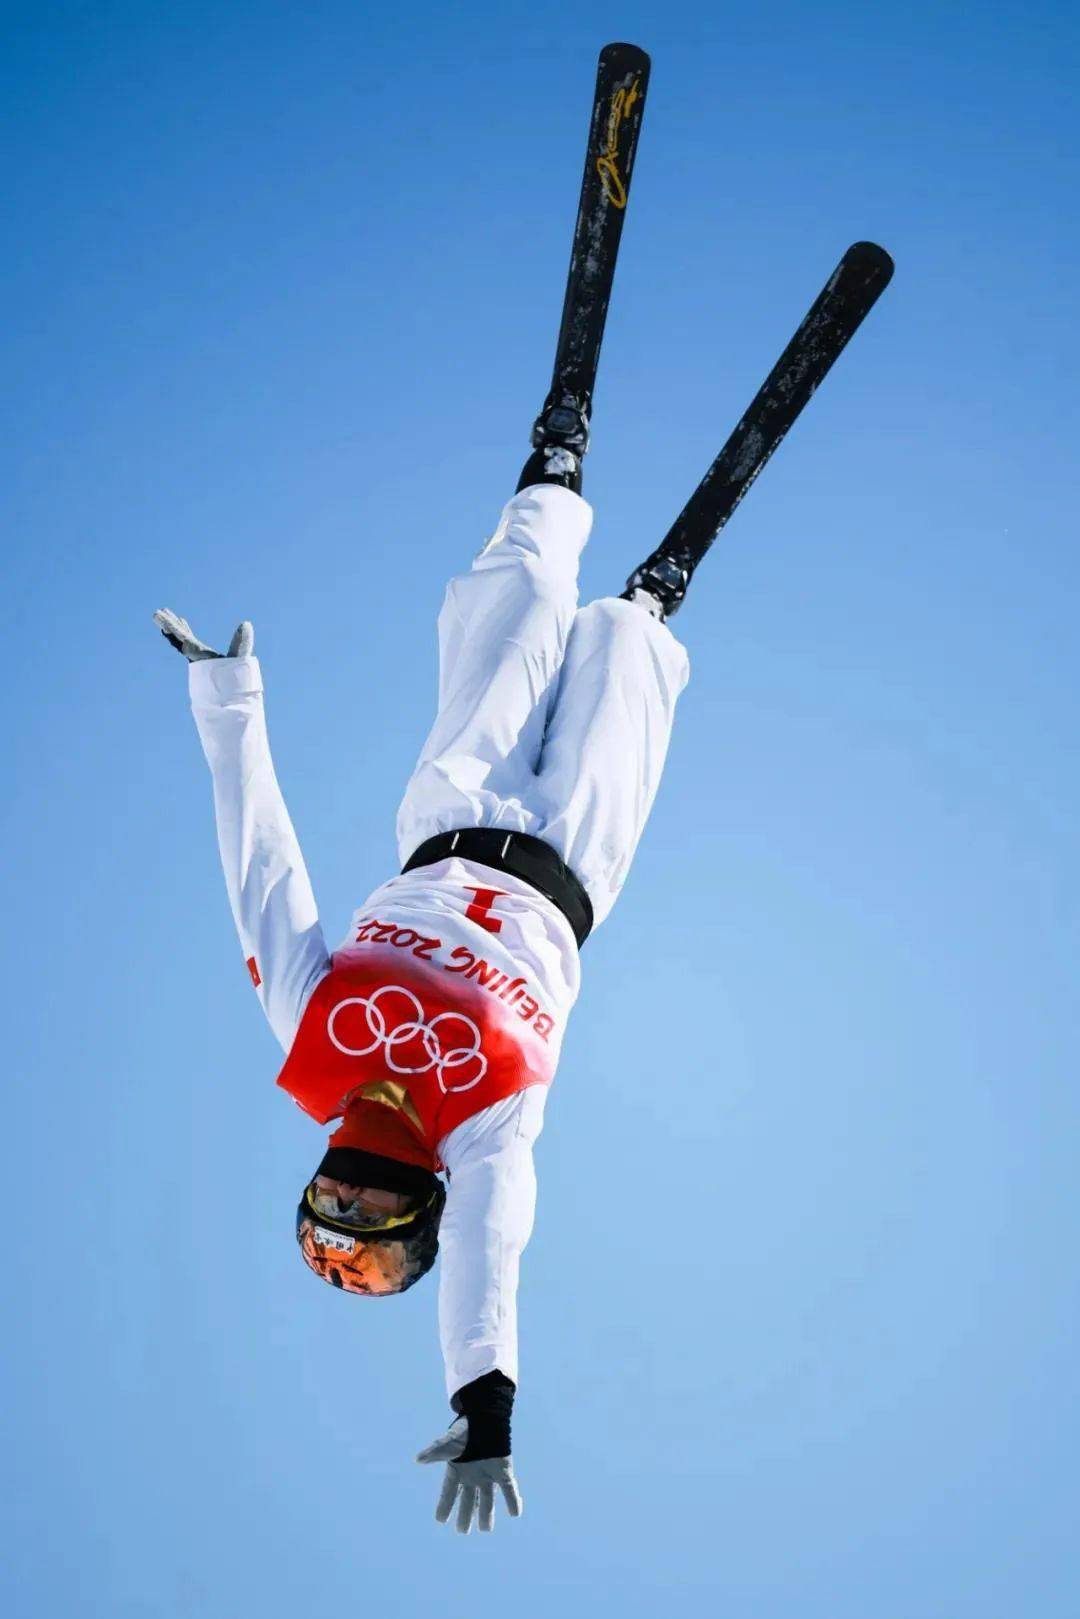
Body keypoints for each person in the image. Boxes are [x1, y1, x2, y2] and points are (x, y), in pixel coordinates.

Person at [153, 422, 691, 1533]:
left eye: (330, 1208)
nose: (350, 1195)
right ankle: (655, 591)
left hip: (451, 811)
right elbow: (493, 1256)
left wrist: (227, 702)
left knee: (528, 593)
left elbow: (261, 870)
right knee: (627, 649)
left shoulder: (312, 1041)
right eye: (369, 1219)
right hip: (573, 860)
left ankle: (557, 461)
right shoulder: (485, 1132)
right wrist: (483, 1395)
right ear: (419, 1211)